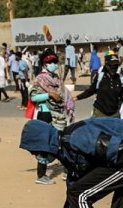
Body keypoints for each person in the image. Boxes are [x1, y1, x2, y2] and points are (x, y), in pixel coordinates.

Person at [28, 49, 75, 185]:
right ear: (44, 64)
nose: (53, 64)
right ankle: (41, 175)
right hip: (46, 114)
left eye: (55, 62)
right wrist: (49, 95)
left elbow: (63, 94)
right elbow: (33, 96)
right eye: (50, 62)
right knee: (46, 144)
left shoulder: (57, 79)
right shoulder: (40, 79)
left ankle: (67, 171)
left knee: (63, 142)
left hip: (60, 115)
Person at [75, 53, 123, 118]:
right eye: (112, 65)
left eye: (116, 65)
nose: (114, 68)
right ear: (107, 65)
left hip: (115, 114)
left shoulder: (120, 78)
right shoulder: (100, 77)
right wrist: (77, 97)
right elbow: (90, 91)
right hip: (99, 113)